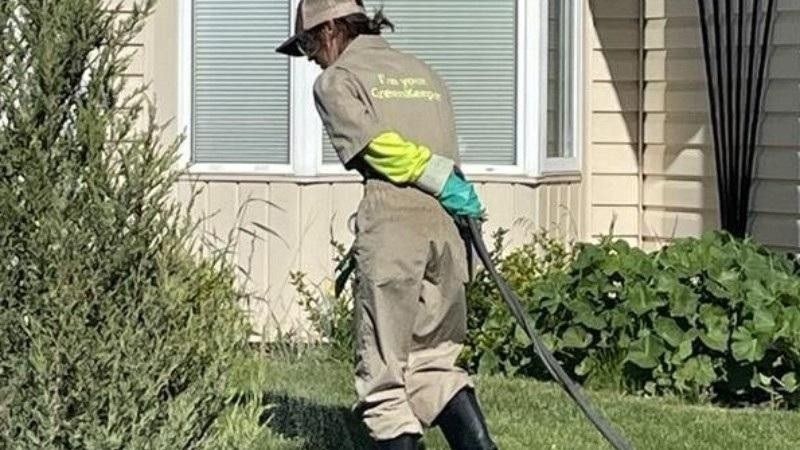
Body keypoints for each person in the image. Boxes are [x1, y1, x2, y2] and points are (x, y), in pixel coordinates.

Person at [277, 1, 496, 449]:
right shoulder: (423, 72)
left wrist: (432, 175)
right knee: (435, 363)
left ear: (331, 29)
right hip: (448, 227)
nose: (311, 59)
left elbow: (379, 148)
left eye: (308, 45)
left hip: (394, 224)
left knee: (384, 378)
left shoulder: (337, 81)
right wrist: (451, 187)